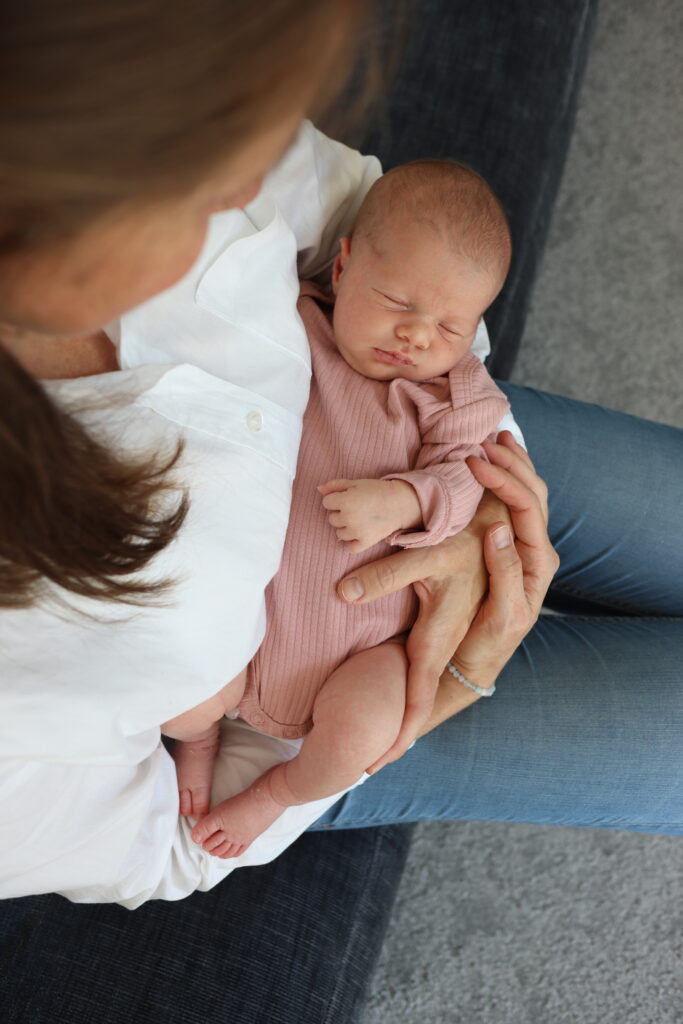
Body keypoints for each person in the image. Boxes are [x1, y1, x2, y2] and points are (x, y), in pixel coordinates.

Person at [2, 1, 681, 1022]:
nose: (249, 192)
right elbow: (163, 841)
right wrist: (426, 692)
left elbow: (379, 222)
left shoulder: (111, 68)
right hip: (318, 712)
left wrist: (464, 486)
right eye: (203, 178)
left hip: (431, 433)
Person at [166, 160, 512, 859]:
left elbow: (467, 478)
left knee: (362, 736)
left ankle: (275, 793)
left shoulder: (451, 396)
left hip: (363, 651)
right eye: (397, 301)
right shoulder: (291, 324)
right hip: (241, 624)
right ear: (343, 265)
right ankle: (198, 742)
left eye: (450, 325)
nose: (417, 336)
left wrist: (407, 498)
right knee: (179, 687)